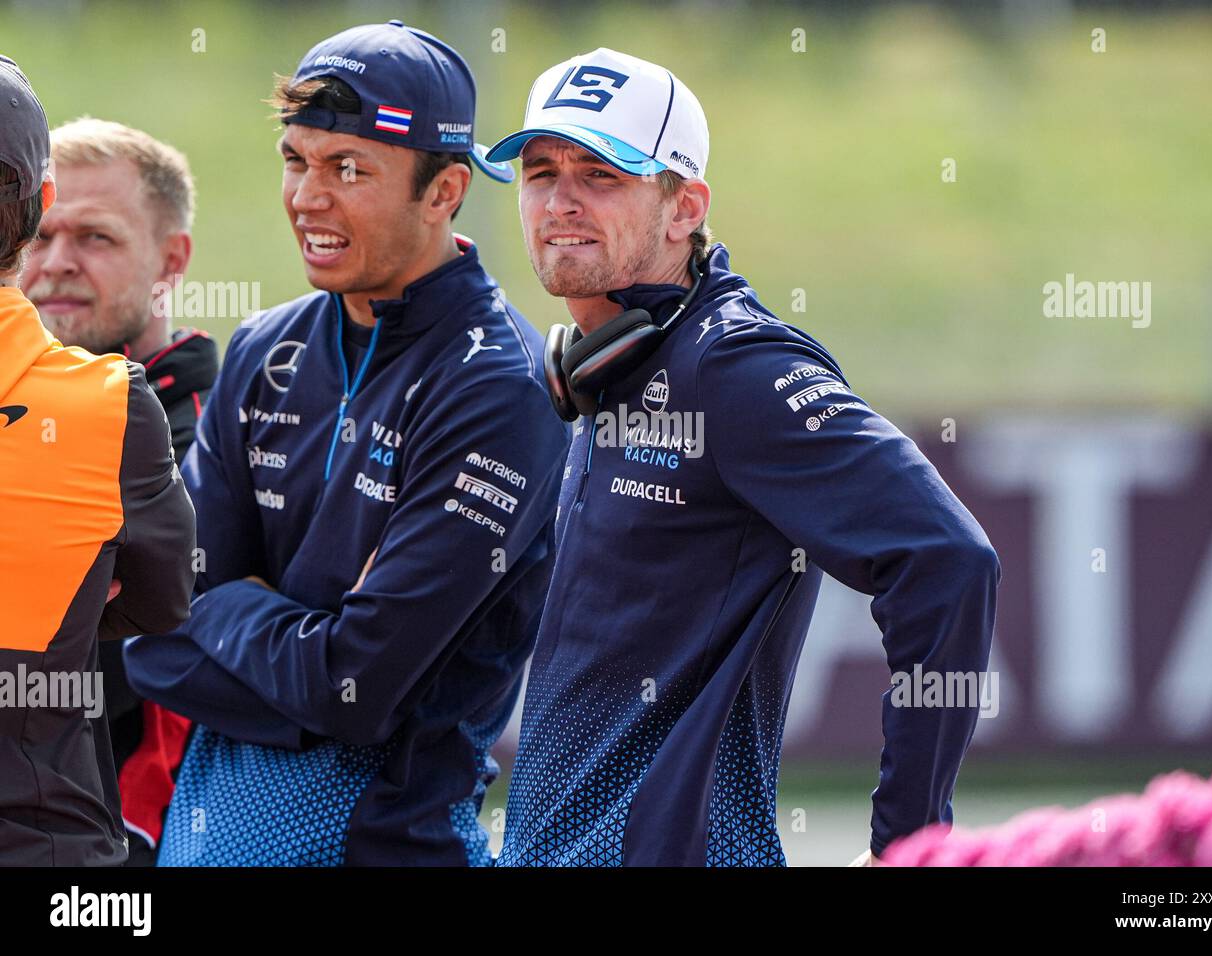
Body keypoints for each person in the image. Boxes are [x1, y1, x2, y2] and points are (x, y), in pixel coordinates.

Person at [484, 48, 1001, 867]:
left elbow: (949, 560)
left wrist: (909, 846)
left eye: (601, 174)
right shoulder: (599, 371)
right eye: (540, 172)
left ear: (685, 206)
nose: (560, 200)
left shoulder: (735, 367)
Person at [124, 21, 568, 866]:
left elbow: (354, 688)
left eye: (349, 169)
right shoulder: (263, 348)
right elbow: (151, 637)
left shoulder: (500, 387)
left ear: (444, 191)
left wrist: (228, 603)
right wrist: (300, 626)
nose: (306, 199)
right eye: (297, 161)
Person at [0, 54, 196, 865]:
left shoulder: (182, 399)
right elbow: (162, 605)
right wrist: (67, 586)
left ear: (172, 260)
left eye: (98, 238)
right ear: (37, 207)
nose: (63, 263)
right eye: (58, 232)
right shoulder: (116, 407)